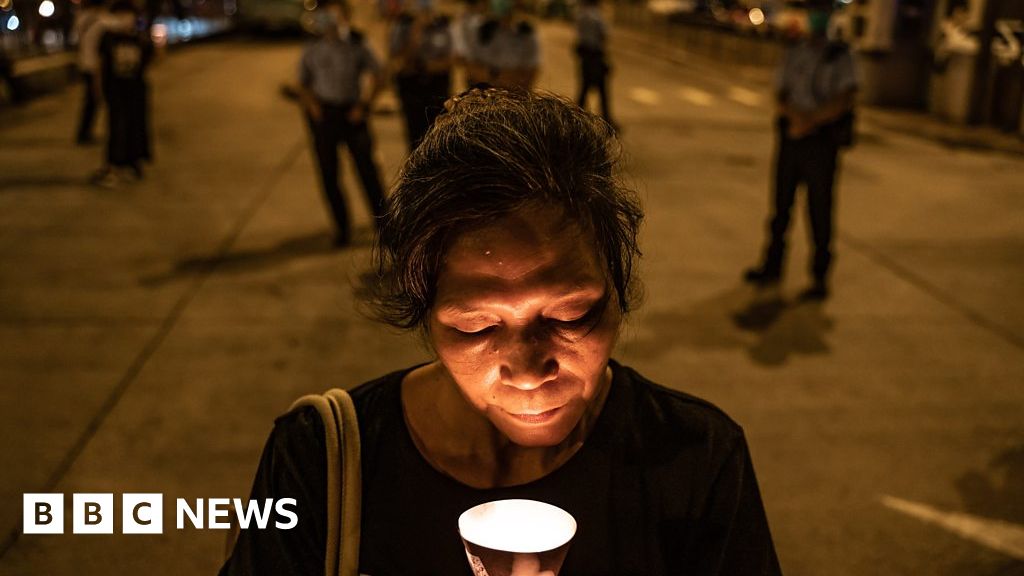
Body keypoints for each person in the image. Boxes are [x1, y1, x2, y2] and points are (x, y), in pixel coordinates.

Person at [220, 88, 782, 575]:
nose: (529, 367)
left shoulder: (695, 461)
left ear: (617, 289)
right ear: (425, 312)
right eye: (477, 325)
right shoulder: (323, 459)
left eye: (568, 316)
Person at [744, 0, 857, 301]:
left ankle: (819, 277)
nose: (817, 18)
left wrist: (810, 122)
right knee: (781, 206)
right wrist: (794, 120)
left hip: (820, 141)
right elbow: (780, 92)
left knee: (819, 210)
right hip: (791, 138)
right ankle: (772, 266)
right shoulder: (795, 50)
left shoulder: (839, 55)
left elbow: (845, 98)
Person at [295, 0, 388, 247]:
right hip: (324, 116)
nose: (328, 17)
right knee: (329, 174)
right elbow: (302, 83)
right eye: (324, 13)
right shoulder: (312, 45)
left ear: (345, 15)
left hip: (352, 114)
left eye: (333, 12)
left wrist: (365, 104)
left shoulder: (357, 43)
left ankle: (385, 227)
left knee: (368, 172)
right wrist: (312, 105)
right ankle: (342, 229)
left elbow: (380, 74)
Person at [91, 0, 153, 187]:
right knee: (116, 127)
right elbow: (100, 66)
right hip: (115, 91)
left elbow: (152, 60)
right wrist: (98, 89)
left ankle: (133, 163)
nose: (124, 19)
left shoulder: (140, 39)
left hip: (136, 91)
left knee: (136, 126)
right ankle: (113, 166)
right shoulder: (108, 38)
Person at [388, 0, 454, 152]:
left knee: (439, 135)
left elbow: (451, 60)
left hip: (437, 88)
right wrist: (415, 32)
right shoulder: (401, 26)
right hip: (412, 90)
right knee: (415, 139)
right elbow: (399, 63)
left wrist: (425, 67)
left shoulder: (442, 26)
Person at [472, 0, 539, 89]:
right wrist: (497, 78)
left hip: (517, 93)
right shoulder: (483, 32)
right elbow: (473, 68)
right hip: (488, 92)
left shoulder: (526, 33)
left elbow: (532, 71)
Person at [73, 0, 109, 145]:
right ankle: (84, 133)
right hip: (95, 65)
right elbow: (118, 24)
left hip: (84, 64)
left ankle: (84, 132)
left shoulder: (81, 18)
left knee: (90, 100)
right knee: (93, 99)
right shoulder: (101, 20)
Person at [574, 0, 615, 127]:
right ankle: (607, 118)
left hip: (584, 55)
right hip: (596, 55)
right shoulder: (597, 17)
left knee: (584, 86)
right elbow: (604, 34)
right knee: (602, 89)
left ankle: (575, 115)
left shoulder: (580, 15)